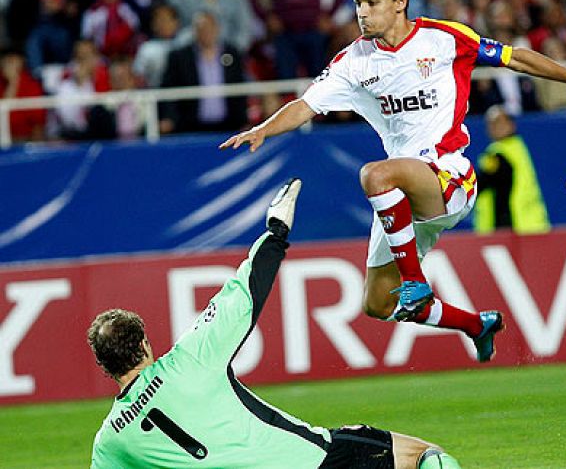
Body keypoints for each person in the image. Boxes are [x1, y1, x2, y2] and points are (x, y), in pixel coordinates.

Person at [221, 0, 566, 363]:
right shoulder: (353, 61)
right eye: (357, 3)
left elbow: (514, 57)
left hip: (448, 177)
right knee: (377, 303)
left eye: (372, 1)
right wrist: (263, 128)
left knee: (375, 174)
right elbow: (306, 105)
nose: (362, 12)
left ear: (400, 2)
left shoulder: (444, 38)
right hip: (401, 201)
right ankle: (477, 325)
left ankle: (417, 281)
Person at [89, 179, 463, 469]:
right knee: (422, 456)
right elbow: (244, 291)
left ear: (105, 366)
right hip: (310, 462)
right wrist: (276, 232)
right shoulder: (188, 362)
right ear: (143, 346)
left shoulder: (110, 442)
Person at [159, 10, 248, 134]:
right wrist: (169, 117)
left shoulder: (232, 53)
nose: (206, 32)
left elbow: (240, 87)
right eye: (201, 28)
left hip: (229, 126)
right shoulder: (180, 57)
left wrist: (243, 120)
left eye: (209, 28)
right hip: (190, 127)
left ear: (217, 28)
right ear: (194, 31)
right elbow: (168, 88)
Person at [473, 105, 550, 234]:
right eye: (491, 124)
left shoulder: (499, 155)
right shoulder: (518, 149)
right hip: (530, 225)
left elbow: (479, 184)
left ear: (511, 124)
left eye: (499, 122)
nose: (495, 127)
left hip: (512, 225)